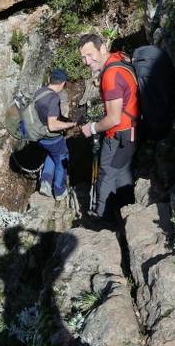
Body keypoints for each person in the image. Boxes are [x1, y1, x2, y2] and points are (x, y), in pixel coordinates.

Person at [78, 33, 139, 225]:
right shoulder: (119, 58)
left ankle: (100, 218)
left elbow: (113, 118)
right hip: (132, 131)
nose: (87, 62)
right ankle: (124, 211)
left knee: (106, 173)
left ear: (102, 48)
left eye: (89, 55)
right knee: (121, 171)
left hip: (119, 134)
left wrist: (92, 128)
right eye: (83, 58)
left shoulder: (110, 75)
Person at [33, 67, 78, 201]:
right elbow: (52, 126)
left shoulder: (40, 92)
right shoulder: (53, 99)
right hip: (51, 138)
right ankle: (59, 190)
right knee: (61, 159)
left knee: (52, 155)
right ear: (63, 83)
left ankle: (45, 183)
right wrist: (70, 124)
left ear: (50, 79)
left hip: (38, 136)